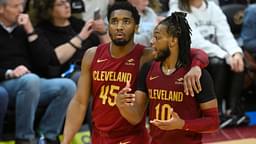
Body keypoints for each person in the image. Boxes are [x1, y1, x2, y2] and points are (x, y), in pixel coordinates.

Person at [62, 1, 209, 144]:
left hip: (131, 138)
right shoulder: (92, 55)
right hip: (99, 137)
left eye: (126, 21)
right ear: (108, 26)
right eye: (114, 21)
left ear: (137, 27)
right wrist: (66, 141)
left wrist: (196, 67)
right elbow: (79, 103)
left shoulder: (147, 56)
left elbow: (198, 54)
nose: (119, 27)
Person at [116, 12, 219, 144]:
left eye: (157, 37)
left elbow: (213, 123)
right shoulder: (148, 69)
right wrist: (121, 106)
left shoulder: (197, 75)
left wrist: (182, 124)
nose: (152, 41)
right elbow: (136, 117)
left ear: (173, 41)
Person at [0, 0, 76, 143]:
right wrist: (9, 72)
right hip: (5, 82)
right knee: (30, 80)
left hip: (31, 82)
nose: (21, 10)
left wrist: (30, 31)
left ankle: (47, 136)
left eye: (21, 5)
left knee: (67, 86)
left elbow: (45, 60)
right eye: (15, 6)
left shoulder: (25, 28)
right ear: (1, 9)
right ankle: (24, 138)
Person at [168, 0, 245, 128]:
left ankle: (233, 111)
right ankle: (215, 113)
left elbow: (225, 34)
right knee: (218, 63)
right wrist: (225, 55)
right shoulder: (177, 11)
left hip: (214, 53)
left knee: (239, 61)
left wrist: (235, 53)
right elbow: (195, 42)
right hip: (187, 57)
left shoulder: (213, 8)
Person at [32, 0, 109, 80]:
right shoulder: (42, 30)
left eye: (67, 1)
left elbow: (110, 52)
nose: (67, 6)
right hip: (66, 74)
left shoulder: (78, 24)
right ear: (49, 10)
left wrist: (102, 32)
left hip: (93, 67)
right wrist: (80, 37)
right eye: (61, 4)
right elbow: (54, 59)